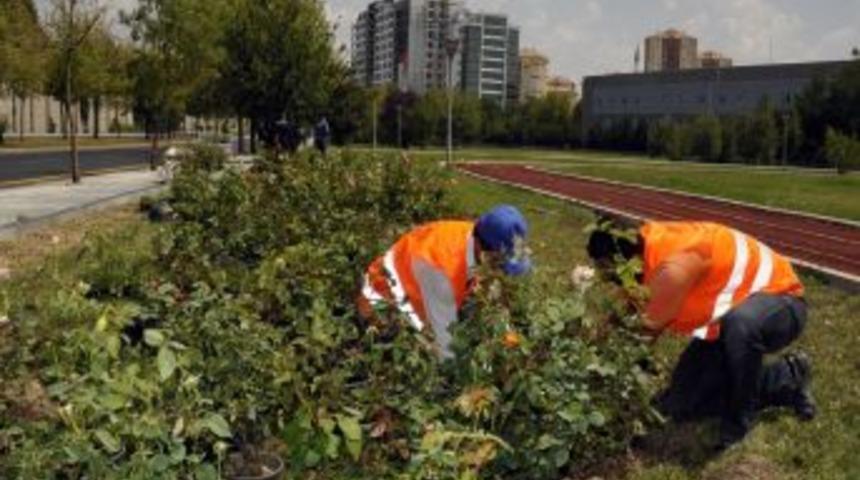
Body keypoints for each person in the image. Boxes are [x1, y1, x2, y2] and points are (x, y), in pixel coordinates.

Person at [586, 220, 816, 450]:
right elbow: (627, 319)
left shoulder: (673, 268)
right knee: (681, 403)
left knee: (741, 324)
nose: (607, 278)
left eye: (607, 271)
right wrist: (591, 350)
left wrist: (602, 384)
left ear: (623, 261)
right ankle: (786, 377)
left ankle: (739, 418)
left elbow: (640, 339)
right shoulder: (640, 253)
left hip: (782, 301)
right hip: (726, 323)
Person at [358, 205, 531, 358]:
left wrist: (504, 329)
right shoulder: (445, 273)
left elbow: (482, 288)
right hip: (380, 303)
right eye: (500, 263)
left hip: (411, 281)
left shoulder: (474, 233)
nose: (501, 270)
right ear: (483, 250)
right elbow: (440, 342)